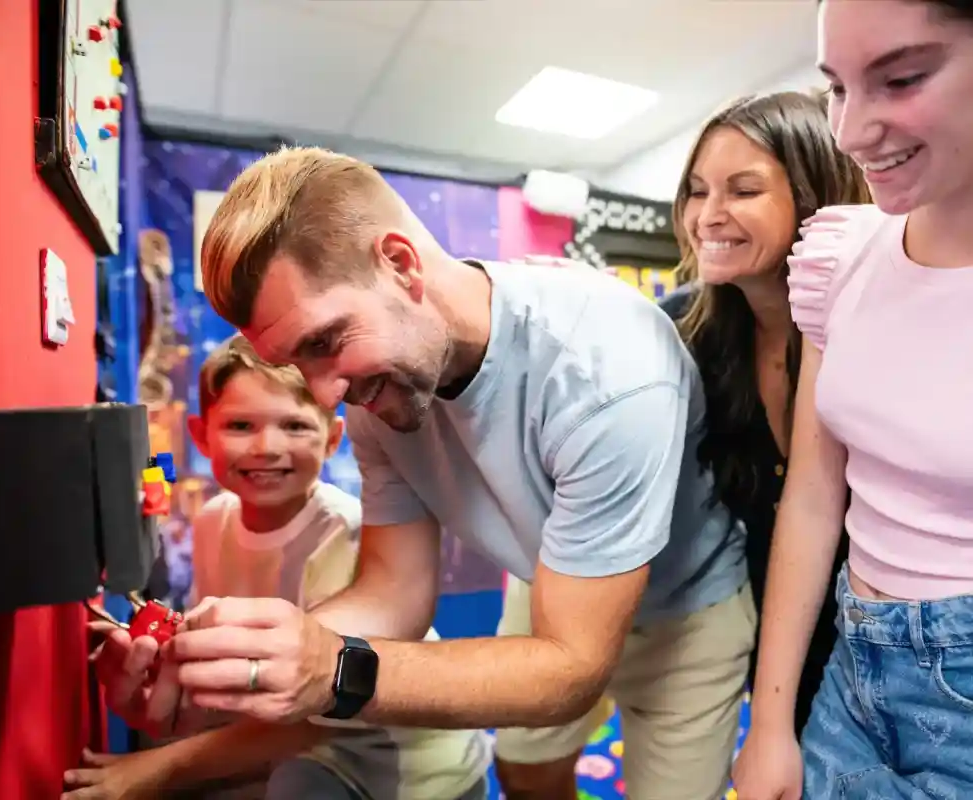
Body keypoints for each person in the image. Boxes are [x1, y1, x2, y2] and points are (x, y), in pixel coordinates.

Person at [93, 145, 752, 800]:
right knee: (524, 771)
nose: (325, 397)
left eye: (325, 343)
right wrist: (240, 660)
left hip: (686, 612)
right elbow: (394, 590)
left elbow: (572, 666)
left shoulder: (606, 371)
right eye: (298, 363)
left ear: (400, 263)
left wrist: (334, 669)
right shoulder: (382, 379)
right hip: (551, 571)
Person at [491, 89, 869, 796]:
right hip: (730, 612)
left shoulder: (864, 338)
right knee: (523, 765)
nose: (707, 215)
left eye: (743, 189)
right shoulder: (672, 338)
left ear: (815, 194)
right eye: (697, 191)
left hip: (855, 638)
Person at [68, 336, 490, 800]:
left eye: (294, 425)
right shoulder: (214, 520)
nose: (267, 447)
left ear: (332, 439)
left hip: (413, 774)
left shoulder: (345, 536)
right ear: (201, 434)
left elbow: (315, 714)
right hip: (300, 751)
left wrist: (160, 768)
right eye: (241, 425)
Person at [733, 1, 973, 798]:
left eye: (900, 79)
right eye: (836, 87)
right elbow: (811, 495)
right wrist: (770, 725)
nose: (848, 131)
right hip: (850, 664)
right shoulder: (843, 254)